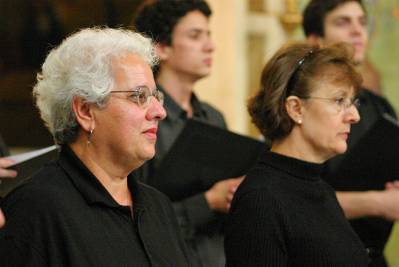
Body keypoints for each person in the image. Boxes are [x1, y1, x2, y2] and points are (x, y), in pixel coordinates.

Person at [0, 27, 194, 266]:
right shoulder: (36, 208)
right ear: (85, 110)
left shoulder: (158, 206)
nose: (159, 112)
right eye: (139, 96)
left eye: (157, 97)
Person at [224, 42, 369, 266]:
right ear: (296, 108)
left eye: (353, 102)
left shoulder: (322, 189)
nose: (354, 116)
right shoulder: (261, 198)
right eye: (339, 101)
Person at [134, 1, 242, 267]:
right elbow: (136, 215)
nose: (210, 46)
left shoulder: (213, 117)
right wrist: (208, 202)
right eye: (195, 36)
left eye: (209, 35)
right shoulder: (142, 117)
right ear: (161, 47)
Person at [303, 1, 399, 265]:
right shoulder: (304, 107)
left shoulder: (380, 106)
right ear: (315, 40)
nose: (357, 31)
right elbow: (296, 199)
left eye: (362, 22)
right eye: (342, 22)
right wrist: (379, 202)